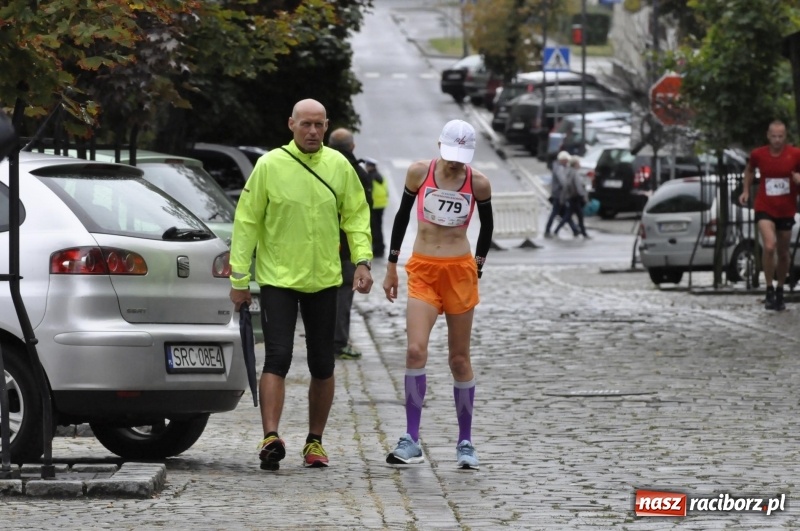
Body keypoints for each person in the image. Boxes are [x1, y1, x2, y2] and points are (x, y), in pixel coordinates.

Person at [229, 99, 373, 470]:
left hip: (324, 279)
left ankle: (315, 441)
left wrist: (362, 261)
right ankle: (270, 438)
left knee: (322, 363)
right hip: (279, 278)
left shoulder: (339, 166)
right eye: (305, 124)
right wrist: (239, 279)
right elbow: (247, 222)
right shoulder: (270, 165)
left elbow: (356, 215)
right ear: (291, 124)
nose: (312, 131)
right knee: (278, 356)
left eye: (319, 125)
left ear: (326, 127)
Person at [382, 119, 493, 470]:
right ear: (439, 146)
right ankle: (411, 439)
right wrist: (391, 265)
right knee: (415, 351)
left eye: (461, 156)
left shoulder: (478, 182)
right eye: (450, 154)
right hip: (424, 271)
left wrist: (477, 265)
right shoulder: (419, 173)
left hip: (458, 272)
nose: (455, 162)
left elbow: (487, 225)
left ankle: (465, 442)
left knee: (459, 360)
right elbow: (401, 216)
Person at [739, 120, 800, 311]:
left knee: (783, 253)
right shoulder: (758, 154)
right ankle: (768, 289)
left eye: (780, 136)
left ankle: (780, 289)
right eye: (774, 136)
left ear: (785, 136)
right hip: (764, 206)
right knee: (769, 245)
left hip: (786, 208)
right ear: (768, 136)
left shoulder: (795, 154)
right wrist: (746, 190)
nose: (777, 140)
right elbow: (749, 170)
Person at [328, 128, 373, 360]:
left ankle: (323, 339)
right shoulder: (357, 173)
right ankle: (338, 343)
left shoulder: (322, 169)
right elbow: (364, 216)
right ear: (352, 147)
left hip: (319, 245)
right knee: (343, 295)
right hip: (346, 249)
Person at [544, 151, 579, 238]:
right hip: (559, 195)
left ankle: (574, 229)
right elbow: (563, 181)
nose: (567, 162)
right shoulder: (559, 168)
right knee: (558, 212)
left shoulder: (558, 167)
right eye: (566, 160)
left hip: (559, 194)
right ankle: (548, 230)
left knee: (565, 212)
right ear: (562, 160)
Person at [554, 155, 590, 239]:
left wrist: (564, 197)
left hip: (571, 197)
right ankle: (583, 233)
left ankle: (557, 230)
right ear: (575, 164)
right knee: (576, 216)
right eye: (578, 163)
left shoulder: (568, 171)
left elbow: (566, 185)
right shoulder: (575, 173)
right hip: (575, 197)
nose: (580, 165)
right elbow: (578, 186)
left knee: (570, 215)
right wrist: (583, 196)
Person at [365, 158, 389, 258]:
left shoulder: (370, 176)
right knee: (378, 227)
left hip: (374, 205)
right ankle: (381, 247)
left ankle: (377, 250)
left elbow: (368, 191)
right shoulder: (380, 176)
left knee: (374, 228)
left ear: (370, 166)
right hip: (382, 205)